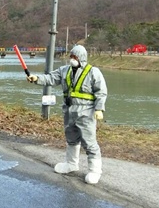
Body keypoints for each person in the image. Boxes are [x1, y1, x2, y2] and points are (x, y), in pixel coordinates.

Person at [27, 45, 107, 184]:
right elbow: (50, 78)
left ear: (81, 58)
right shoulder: (65, 70)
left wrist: (99, 109)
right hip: (69, 110)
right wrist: (36, 78)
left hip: (86, 111)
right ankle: (71, 164)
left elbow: (101, 91)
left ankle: (95, 170)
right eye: (71, 56)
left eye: (74, 57)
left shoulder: (93, 72)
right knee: (71, 138)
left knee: (89, 141)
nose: (72, 59)